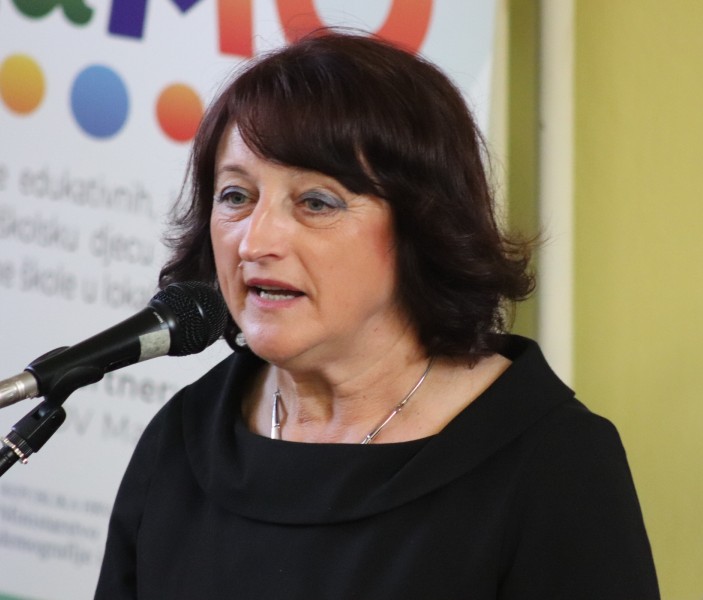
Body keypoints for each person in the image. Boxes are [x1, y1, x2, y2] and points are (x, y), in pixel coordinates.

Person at [94, 31, 659, 599]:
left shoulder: (554, 463)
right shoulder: (185, 438)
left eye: (316, 202)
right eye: (236, 197)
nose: (254, 242)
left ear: (423, 227)